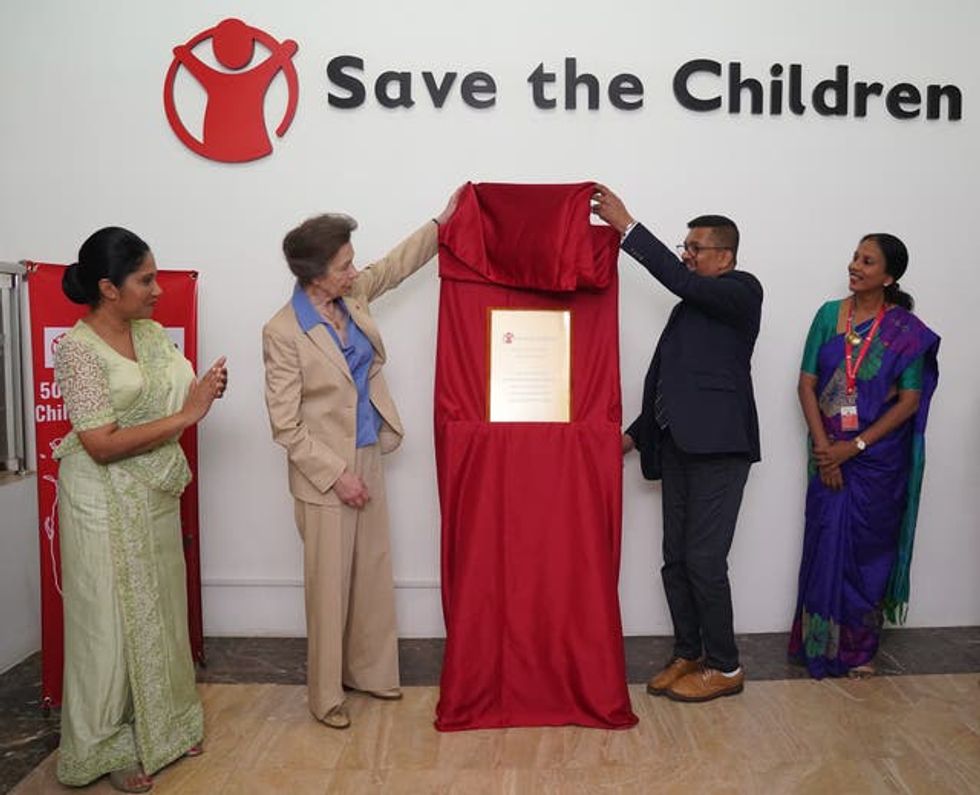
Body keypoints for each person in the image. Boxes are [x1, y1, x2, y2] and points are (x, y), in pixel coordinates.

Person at [262, 190, 459, 730]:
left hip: (368, 451)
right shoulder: (283, 332)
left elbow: (395, 265)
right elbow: (286, 424)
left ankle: (371, 674)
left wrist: (443, 221)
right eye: (344, 265)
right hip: (323, 473)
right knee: (329, 589)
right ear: (315, 275)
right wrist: (336, 475)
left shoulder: (353, 298)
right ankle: (325, 697)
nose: (354, 270)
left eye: (351, 261)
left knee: (371, 573)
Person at [53, 227, 227, 792]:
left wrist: (199, 392)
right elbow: (100, 443)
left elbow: (170, 398)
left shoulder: (150, 335)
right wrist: (189, 414)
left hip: (150, 492)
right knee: (108, 625)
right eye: (145, 279)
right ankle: (107, 746)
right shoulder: (76, 350)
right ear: (107, 287)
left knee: (159, 610)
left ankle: (165, 727)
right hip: (99, 501)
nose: (156, 289)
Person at [592, 184, 762, 702]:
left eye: (695, 248)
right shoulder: (688, 310)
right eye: (683, 246)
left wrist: (627, 227)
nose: (686, 255)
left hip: (720, 450)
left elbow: (677, 279)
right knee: (676, 560)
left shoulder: (741, 290)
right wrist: (632, 438)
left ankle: (726, 668)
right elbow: (669, 385)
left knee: (705, 561)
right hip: (679, 448)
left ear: (724, 256)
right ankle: (690, 652)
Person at [789, 234, 939, 678]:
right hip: (828, 454)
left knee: (867, 552)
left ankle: (859, 649)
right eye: (855, 256)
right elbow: (806, 384)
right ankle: (816, 643)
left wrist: (851, 449)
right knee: (824, 543)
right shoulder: (827, 316)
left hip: (876, 462)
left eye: (867, 261)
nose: (854, 265)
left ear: (888, 277)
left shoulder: (905, 333)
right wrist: (825, 452)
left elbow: (909, 401)